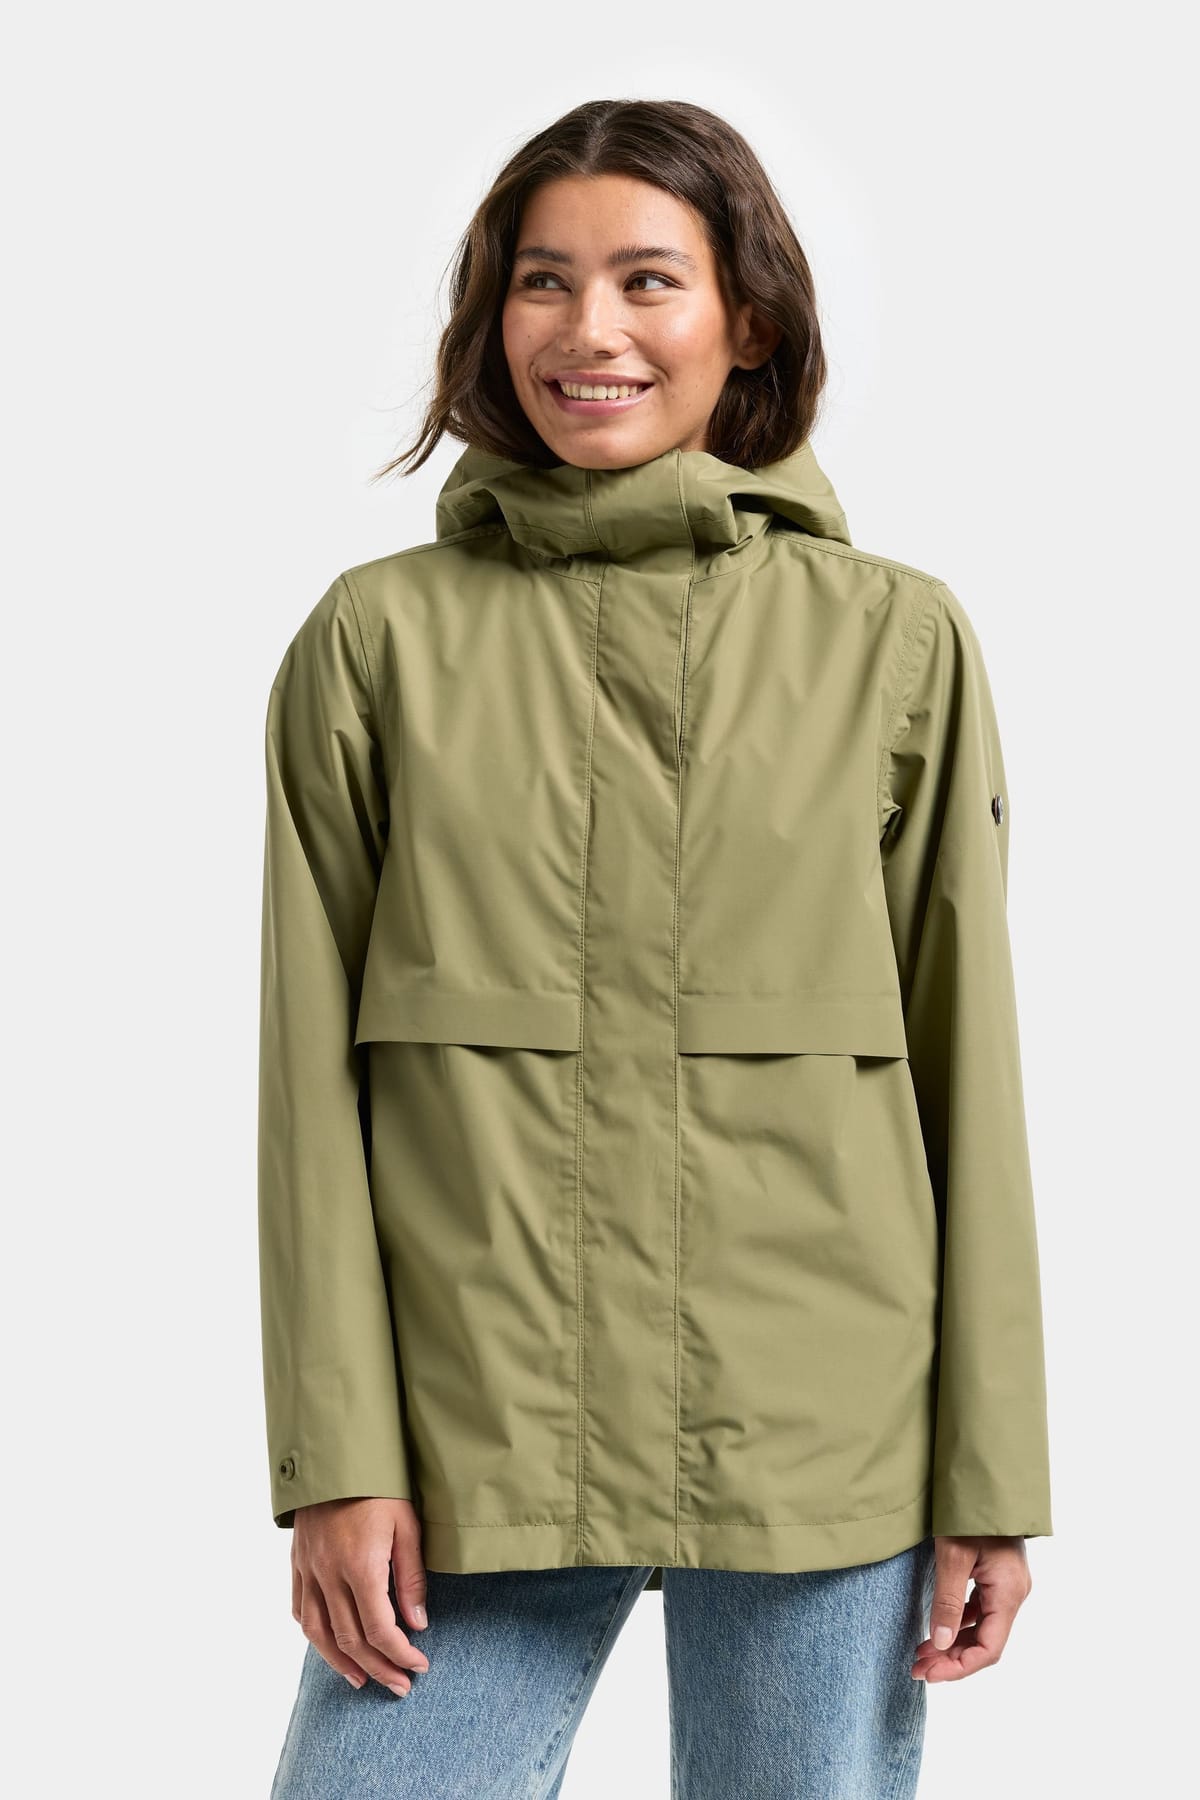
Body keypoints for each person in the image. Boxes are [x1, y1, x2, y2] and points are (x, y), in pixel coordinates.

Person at [258, 98, 1053, 1799]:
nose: (589, 330)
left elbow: (969, 1068)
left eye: (647, 280)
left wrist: (991, 1470)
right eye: (543, 282)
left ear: (746, 319)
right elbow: (306, 1091)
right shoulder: (375, 643)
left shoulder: (893, 642)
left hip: (817, 1425)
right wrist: (336, 1454)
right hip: (471, 1429)